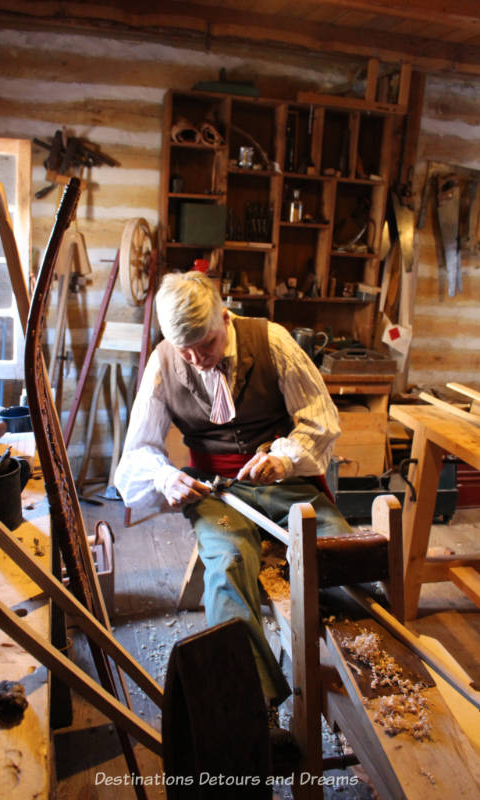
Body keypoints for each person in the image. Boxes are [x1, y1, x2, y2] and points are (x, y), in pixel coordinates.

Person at [115, 270, 351, 714]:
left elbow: (320, 420)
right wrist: (167, 477)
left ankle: (359, 663)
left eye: (205, 343)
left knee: (339, 548)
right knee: (227, 565)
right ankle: (249, 706)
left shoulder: (272, 341)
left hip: (283, 481)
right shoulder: (166, 361)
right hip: (218, 492)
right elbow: (137, 452)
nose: (197, 358)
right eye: (184, 348)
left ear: (225, 318)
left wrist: (283, 457)